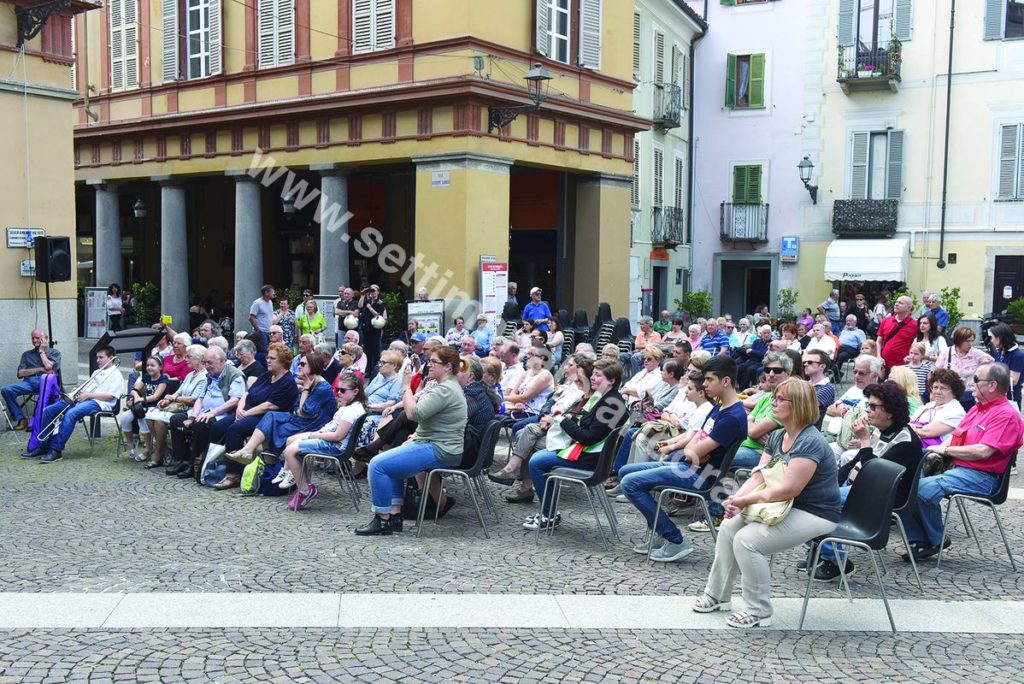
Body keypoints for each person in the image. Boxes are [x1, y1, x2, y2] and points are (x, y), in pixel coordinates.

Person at [693, 377, 839, 628]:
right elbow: (760, 474)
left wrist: (744, 499)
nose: (773, 402)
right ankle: (717, 595)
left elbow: (788, 489)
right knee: (728, 527)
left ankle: (759, 610)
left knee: (748, 541)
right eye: (774, 397)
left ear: (799, 405)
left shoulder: (810, 441)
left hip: (815, 512)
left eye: (781, 399)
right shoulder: (778, 435)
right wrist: (737, 499)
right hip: (782, 504)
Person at [618, 354, 747, 558]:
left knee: (630, 484)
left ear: (726, 381)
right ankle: (660, 531)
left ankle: (675, 539)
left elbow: (693, 451)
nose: (704, 385)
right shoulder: (720, 409)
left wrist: (693, 450)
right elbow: (695, 439)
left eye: (709, 379)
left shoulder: (732, 417)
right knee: (625, 471)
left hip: (701, 477)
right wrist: (693, 449)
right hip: (690, 467)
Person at [900, 363, 1024, 561]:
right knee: (903, 480)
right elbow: (956, 436)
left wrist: (945, 450)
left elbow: (983, 451)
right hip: (956, 467)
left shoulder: (1006, 415)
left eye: (976, 380)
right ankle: (921, 538)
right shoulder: (977, 409)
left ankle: (934, 540)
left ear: (992, 385)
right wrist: (936, 452)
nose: (971, 384)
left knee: (922, 488)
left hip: (983, 476)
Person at [807, 380, 925, 580]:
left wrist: (864, 441)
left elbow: (875, 477)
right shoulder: (883, 429)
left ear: (890, 411)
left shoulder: (905, 441)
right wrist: (832, 481)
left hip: (882, 496)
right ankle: (821, 547)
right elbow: (858, 462)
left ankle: (836, 560)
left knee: (817, 502)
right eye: (868, 405)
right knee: (810, 493)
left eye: (873, 406)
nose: (867, 410)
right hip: (862, 487)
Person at [357, 346, 468, 535]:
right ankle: (394, 516)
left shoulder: (445, 390)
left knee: (377, 465)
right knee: (389, 464)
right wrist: (416, 437)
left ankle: (383, 520)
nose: (429, 365)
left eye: (434, 362)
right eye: (429, 360)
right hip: (434, 443)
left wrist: (406, 387)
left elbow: (412, 414)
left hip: (441, 448)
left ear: (448, 367)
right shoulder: (442, 386)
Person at [524, 359, 628, 531]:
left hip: (592, 459)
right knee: (539, 454)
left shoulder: (612, 405)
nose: (592, 378)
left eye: (598, 375)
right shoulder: (605, 397)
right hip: (589, 453)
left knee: (536, 461)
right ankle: (549, 512)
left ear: (612, 381)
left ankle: (549, 515)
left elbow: (588, 437)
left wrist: (563, 420)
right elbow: (588, 425)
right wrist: (571, 418)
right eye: (593, 373)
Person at [206, 343, 299, 488]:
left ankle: (233, 474)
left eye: (272, 358)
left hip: (267, 418)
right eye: (268, 357)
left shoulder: (288, 382)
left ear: (283, 361)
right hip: (247, 411)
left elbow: (269, 405)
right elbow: (247, 393)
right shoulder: (267, 375)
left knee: (234, 429)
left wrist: (246, 413)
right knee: (219, 426)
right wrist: (240, 408)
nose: (268, 360)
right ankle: (212, 465)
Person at [225, 351, 336, 464]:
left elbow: (303, 412)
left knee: (271, 427)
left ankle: (269, 463)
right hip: (302, 419)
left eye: (302, 364)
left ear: (313, 366)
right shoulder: (310, 382)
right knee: (270, 416)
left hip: (312, 424)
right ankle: (251, 452)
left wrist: (305, 389)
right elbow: (298, 409)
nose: (298, 366)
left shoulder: (322, 387)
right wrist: (304, 389)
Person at [281, 373, 367, 509]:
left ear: (355, 392)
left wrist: (316, 436)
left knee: (289, 451)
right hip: (331, 441)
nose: (338, 393)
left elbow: (338, 436)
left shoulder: (352, 410)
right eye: (337, 389)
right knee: (291, 440)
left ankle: (304, 490)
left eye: (343, 390)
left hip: (335, 446)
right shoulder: (353, 407)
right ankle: (290, 473)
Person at [25, 347, 121, 463]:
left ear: (111, 358)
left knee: (71, 414)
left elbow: (111, 396)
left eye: (101, 357)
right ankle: (43, 446)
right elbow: (88, 389)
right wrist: (79, 391)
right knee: (49, 411)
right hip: (85, 400)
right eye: (97, 357)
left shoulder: (116, 374)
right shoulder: (97, 372)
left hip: (100, 403)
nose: (97, 360)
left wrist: (88, 395)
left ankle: (56, 450)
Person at [166, 347, 246, 478]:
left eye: (210, 363)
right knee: (176, 420)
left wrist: (212, 413)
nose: (207, 366)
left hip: (222, 414)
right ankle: (182, 460)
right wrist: (192, 416)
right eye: (205, 362)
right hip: (204, 411)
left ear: (221, 361)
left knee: (201, 424)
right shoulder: (209, 375)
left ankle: (194, 464)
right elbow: (200, 398)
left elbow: (234, 401)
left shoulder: (235, 375)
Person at [145, 344, 207, 469]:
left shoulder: (204, 376)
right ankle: (166, 451)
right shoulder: (190, 375)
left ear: (200, 359)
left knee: (158, 421)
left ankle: (158, 454)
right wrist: (167, 400)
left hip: (190, 409)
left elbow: (194, 399)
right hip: (178, 406)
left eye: (189, 357)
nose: (186, 360)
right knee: (149, 416)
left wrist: (173, 398)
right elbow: (178, 391)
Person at [3, 329, 61, 431]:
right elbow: (20, 374)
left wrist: (41, 352)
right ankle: (21, 419)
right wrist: (40, 369)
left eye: (37, 338)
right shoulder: (27, 354)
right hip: (29, 382)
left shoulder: (54, 353)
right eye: (33, 338)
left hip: (46, 383)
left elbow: (48, 366)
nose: (34, 340)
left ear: (45, 339)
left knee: (45, 388)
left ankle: (36, 420)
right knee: (6, 390)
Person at [118, 355, 169, 463]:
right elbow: (134, 390)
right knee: (124, 418)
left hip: (155, 406)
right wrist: (136, 397)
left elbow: (155, 396)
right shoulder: (146, 377)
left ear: (160, 367)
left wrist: (140, 399)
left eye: (153, 365)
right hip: (144, 405)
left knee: (142, 417)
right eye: (148, 365)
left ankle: (148, 448)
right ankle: (131, 446)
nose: (149, 367)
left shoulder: (163, 379)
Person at [934, 327, 993, 411]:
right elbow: (936, 373)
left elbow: (991, 364)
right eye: (967, 341)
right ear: (959, 340)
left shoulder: (976, 353)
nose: (970, 344)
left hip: (969, 396)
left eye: (972, 341)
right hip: (949, 395)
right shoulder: (947, 353)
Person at [909, 368, 965, 448]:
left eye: (943, 388)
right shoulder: (929, 405)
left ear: (954, 392)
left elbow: (925, 432)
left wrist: (910, 426)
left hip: (932, 454)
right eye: (935, 387)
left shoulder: (955, 411)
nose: (937, 392)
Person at [877, 295, 918, 373]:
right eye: (896, 302)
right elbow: (878, 341)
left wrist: (910, 357)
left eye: (900, 303)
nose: (896, 304)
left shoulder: (915, 325)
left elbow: (916, 345)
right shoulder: (886, 321)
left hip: (902, 367)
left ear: (909, 308)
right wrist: (878, 356)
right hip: (884, 365)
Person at [988, 322, 1024, 407]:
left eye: (992, 337)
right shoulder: (999, 351)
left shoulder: (1017, 355)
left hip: (1010, 396)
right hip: (997, 394)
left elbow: (1014, 380)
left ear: (999, 338)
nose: (991, 340)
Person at [358, 284, 387, 372]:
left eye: (374, 291)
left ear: (378, 292)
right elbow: (359, 306)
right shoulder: (367, 300)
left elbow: (378, 315)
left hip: (375, 330)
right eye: (371, 291)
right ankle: (368, 369)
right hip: (366, 329)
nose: (372, 293)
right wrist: (363, 295)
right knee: (367, 350)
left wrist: (370, 308)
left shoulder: (380, 303)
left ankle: (376, 369)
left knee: (375, 350)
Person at [736, 324, 771, 389]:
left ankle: (745, 388)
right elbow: (751, 353)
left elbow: (763, 354)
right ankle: (741, 387)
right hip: (752, 360)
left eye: (768, 333)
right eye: (765, 333)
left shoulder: (771, 343)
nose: (766, 335)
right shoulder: (757, 341)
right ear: (761, 334)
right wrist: (749, 352)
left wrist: (753, 352)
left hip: (761, 362)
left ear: (770, 333)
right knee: (739, 368)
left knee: (750, 369)